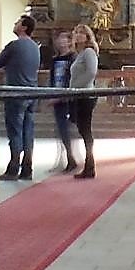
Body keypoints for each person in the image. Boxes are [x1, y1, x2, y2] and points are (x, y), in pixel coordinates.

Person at [0, 14, 41, 180]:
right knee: (28, 131)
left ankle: (13, 168)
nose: (14, 24)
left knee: (15, 131)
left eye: (17, 22)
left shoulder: (14, 45)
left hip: (15, 92)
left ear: (24, 27)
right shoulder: (35, 47)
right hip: (32, 93)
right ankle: (27, 168)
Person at [69, 24, 101, 179]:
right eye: (76, 32)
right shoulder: (79, 54)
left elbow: (91, 73)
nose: (77, 35)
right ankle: (89, 165)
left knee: (86, 131)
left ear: (88, 36)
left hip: (85, 95)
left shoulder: (89, 52)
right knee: (83, 130)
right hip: (78, 94)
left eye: (81, 33)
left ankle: (90, 165)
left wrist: (76, 86)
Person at [47, 31, 79, 172]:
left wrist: (63, 95)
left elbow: (71, 78)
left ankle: (71, 159)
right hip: (56, 95)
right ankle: (63, 159)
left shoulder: (73, 57)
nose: (60, 42)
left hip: (67, 97)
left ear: (69, 42)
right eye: (58, 39)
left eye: (63, 39)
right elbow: (52, 78)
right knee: (60, 130)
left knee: (67, 130)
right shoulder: (55, 59)